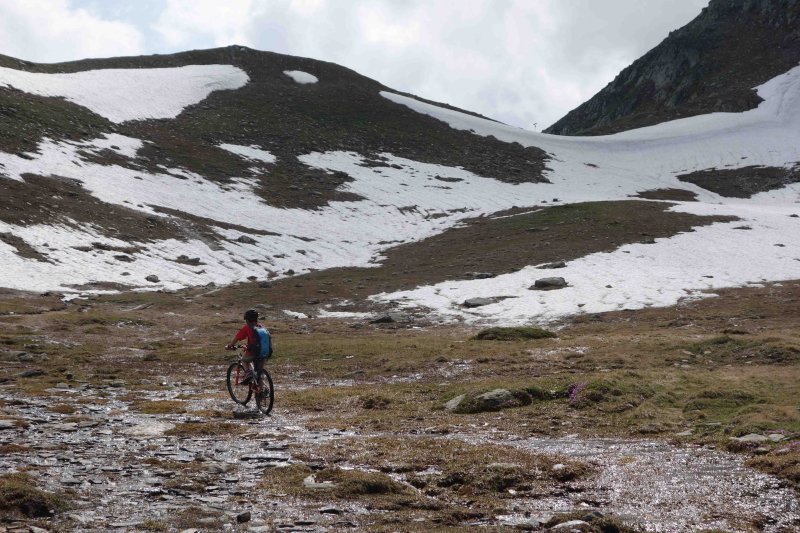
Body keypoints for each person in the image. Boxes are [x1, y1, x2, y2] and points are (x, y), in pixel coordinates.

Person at [226, 309, 268, 384]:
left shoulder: (247, 328)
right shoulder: (261, 327)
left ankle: (248, 373)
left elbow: (237, 337)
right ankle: (263, 390)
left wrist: (230, 345)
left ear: (247, 320)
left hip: (253, 351)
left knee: (244, 360)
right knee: (258, 372)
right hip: (264, 352)